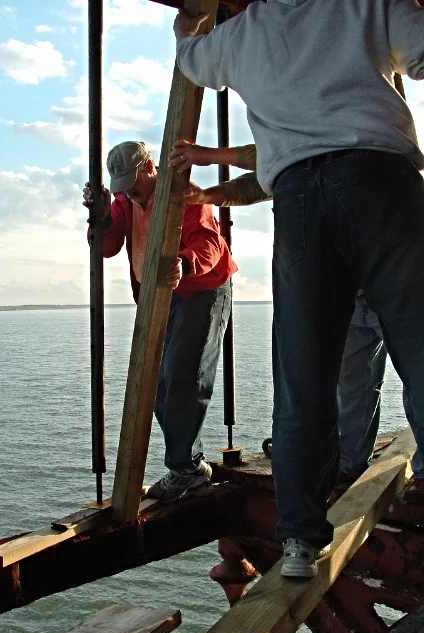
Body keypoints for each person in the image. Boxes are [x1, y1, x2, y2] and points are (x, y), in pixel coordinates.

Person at [173, 0, 424, 579]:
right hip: (382, 185)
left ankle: (299, 544)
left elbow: (194, 60)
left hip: (300, 200)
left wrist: (186, 28)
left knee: (303, 375)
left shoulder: (246, 30)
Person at [169, 141, 392, 482]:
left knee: (400, 376)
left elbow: (277, 155)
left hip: (391, 279)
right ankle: (349, 464)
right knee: (357, 383)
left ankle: (411, 469)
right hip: (352, 288)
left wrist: (208, 156)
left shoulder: (346, 135)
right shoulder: (303, 160)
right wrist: (205, 196)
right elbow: (266, 176)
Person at [83, 140, 237, 503]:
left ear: (150, 167)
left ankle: (186, 466)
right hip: (159, 297)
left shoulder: (180, 194)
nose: (131, 194)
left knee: (183, 376)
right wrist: (102, 214)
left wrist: (183, 262)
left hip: (201, 291)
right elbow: (106, 247)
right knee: (157, 381)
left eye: (133, 184)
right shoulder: (125, 201)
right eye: (122, 188)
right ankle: (188, 465)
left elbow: (210, 243)